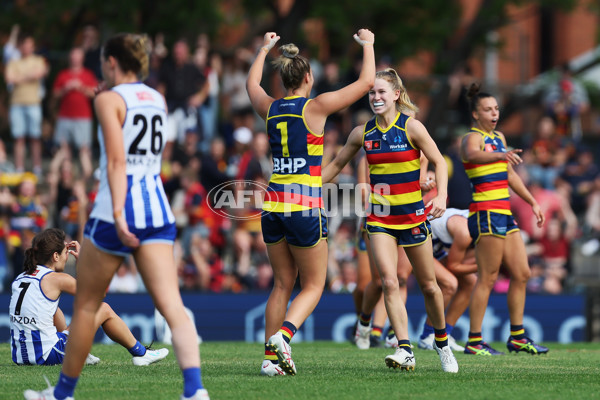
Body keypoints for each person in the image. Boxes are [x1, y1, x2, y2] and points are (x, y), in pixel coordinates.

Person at [24, 33, 210, 400]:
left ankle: (62, 395)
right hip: (157, 209)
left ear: (111, 63)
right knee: (173, 306)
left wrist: (121, 215)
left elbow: (116, 162)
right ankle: (195, 390)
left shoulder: (108, 98)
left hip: (115, 211)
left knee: (88, 307)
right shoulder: (156, 97)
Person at [246, 29, 375, 377]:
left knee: (281, 284)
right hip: (304, 206)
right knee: (314, 285)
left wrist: (262, 49)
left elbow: (251, 86)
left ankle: (269, 361)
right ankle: (283, 338)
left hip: (273, 207)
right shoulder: (316, 107)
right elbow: (365, 83)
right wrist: (368, 45)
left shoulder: (270, 108)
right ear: (308, 78)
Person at [323, 68, 458, 373]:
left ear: (396, 95)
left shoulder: (412, 128)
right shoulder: (362, 133)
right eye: (372, 92)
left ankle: (442, 342)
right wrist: (304, 184)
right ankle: (405, 348)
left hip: (412, 218)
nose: (376, 97)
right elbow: (336, 164)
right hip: (380, 219)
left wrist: (441, 196)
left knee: (430, 287)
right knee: (388, 281)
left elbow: (438, 161)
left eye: (382, 92)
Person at [460, 83, 548, 356]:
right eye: (487, 109)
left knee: (522, 273)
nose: (494, 113)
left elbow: (509, 175)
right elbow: (471, 155)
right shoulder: (471, 138)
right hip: (484, 212)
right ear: (476, 115)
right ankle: (475, 341)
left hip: (503, 213)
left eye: (496, 108)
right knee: (487, 277)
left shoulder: (498, 136)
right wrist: (500, 154)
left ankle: (518, 337)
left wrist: (532, 201)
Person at [9, 228, 167, 366]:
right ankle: (141, 354)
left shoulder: (20, 278)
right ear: (55, 256)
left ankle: (77, 352)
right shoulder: (58, 279)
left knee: (52, 308)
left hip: (20, 357)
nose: (67, 257)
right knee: (102, 308)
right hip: (47, 356)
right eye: (65, 252)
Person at [4, 33, 48, 175]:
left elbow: (39, 74)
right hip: (17, 104)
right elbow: (9, 78)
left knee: (35, 137)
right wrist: (29, 76)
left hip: (33, 103)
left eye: (30, 45)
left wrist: (19, 78)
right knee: (19, 138)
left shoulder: (38, 60)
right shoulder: (13, 62)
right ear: (20, 47)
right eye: (24, 45)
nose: (27, 48)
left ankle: (37, 168)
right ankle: (19, 169)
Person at [52, 47, 98, 179]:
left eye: (77, 56)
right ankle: (63, 180)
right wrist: (65, 89)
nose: (74, 59)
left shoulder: (88, 75)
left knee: (84, 149)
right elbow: (55, 95)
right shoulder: (63, 74)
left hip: (83, 117)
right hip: (65, 117)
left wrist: (80, 87)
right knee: (63, 150)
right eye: (73, 56)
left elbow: (94, 93)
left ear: (82, 58)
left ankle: (85, 179)